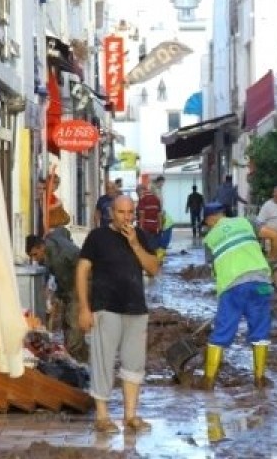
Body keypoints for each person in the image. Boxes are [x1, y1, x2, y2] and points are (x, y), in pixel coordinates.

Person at [75, 195, 160, 434]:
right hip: (105, 307)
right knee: (102, 361)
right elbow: (82, 271)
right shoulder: (97, 237)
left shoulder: (140, 236)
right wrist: (84, 307)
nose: (126, 217)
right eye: (121, 212)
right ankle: (102, 417)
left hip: (136, 308)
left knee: (134, 363)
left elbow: (153, 269)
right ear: (111, 213)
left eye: (130, 212)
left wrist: (134, 244)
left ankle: (130, 415)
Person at [199, 202, 277, 389]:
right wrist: (272, 262)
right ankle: (259, 379)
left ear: (210, 219)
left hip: (231, 286)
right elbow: (276, 236)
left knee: (222, 331)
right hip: (261, 282)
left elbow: (216, 272)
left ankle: (208, 381)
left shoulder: (209, 240)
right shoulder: (247, 222)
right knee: (260, 330)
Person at [26, 228, 85, 360]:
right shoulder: (51, 239)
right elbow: (64, 231)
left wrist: (55, 297)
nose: (35, 259)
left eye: (35, 255)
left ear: (41, 247)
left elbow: (67, 284)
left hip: (80, 283)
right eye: (31, 256)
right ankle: (80, 357)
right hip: (68, 283)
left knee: (73, 324)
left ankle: (79, 361)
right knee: (65, 324)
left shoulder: (60, 255)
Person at [136, 183, 163, 253]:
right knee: (153, 247)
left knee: (145, 248)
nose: (138, 195)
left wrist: (140, 229)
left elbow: (142, 215)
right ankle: (153, 261)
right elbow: (159, 215)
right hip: (154, 228)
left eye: (137, 192)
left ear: (141, 190)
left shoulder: (143, 199)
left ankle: (147, 262)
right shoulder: (156, 199)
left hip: (145, 228)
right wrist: (160, 228)